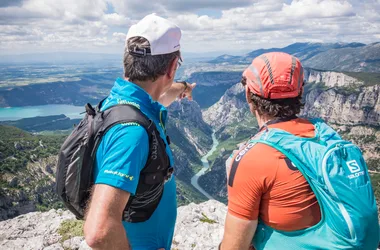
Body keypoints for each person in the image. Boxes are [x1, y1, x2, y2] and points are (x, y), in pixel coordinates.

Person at [220, 52, 379, 249]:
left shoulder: (254, 158)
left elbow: (234, 246)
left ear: (248, 95)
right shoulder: (326, 134)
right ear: (300, 92)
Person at [83, 14, 195, 250]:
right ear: (172, 67)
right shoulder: (131, 132)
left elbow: (162, 95)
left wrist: (184, 88)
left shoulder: (124, 102)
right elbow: (98, 232)